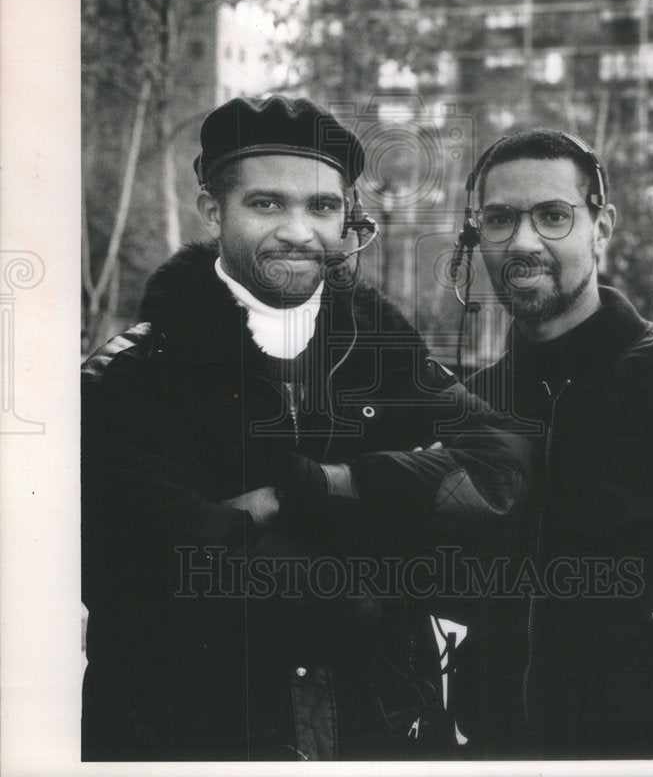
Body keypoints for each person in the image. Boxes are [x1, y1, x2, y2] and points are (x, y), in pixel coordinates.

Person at [81, 96, 529, 762]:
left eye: (322, 207)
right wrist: (389, 554)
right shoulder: (132, 378)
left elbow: (503, 468)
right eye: (266, 204)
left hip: (377, 729)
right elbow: (173, 572)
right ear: (213, 211)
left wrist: (316, 487)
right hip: (192, 738)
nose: (299, 231)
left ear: (347, 218)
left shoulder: (382, 352)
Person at [449, 130, 653, 759]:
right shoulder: (469, 409)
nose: (522, 241)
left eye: (553, 216)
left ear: (602, 227)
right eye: (499, 219)